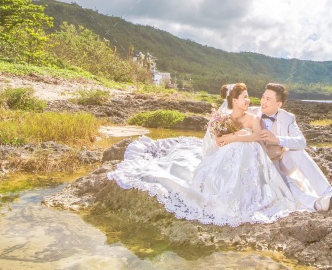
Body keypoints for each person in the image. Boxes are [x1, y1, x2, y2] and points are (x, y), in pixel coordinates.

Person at [107, 82, 304, 226]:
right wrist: (231, 138)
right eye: (245, 97)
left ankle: (243, 192)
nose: (249, 100)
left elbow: (257, 137)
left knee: (244, 146)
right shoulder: (223, 119)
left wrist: (236, 136)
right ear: (234, 100)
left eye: (248, 97)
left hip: (249, 157)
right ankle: (223, 187)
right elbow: (218, 141)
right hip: (227, 158)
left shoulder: (253, 118)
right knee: (235, 148)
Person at [249, 83, 332, 212]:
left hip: (279, 162)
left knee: (298, 152)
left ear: (279, 104)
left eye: (268, 99)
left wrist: (277, 139)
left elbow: (301, 142)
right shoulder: (250, 113)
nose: (263, 101)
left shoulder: (288, 117)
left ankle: (328, 193)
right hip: (260, 166)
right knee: (282, 179)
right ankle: (315, 203)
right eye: (263, 97)